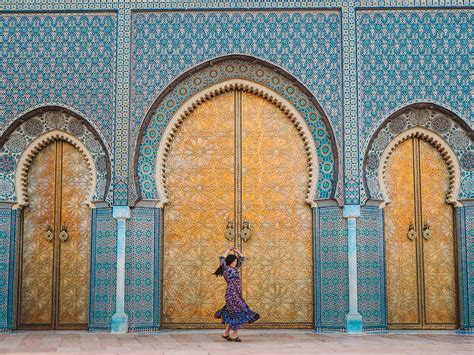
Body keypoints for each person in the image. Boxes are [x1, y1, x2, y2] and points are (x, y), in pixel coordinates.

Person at [214, 247, 259, 342]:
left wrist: (237, 252)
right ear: (229, 262)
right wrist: (228, 250)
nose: (235, 263)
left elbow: (242, 259)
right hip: (231, 294)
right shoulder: (226, 268)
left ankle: (226, 334)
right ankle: (235, 335)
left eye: (236, 261)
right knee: (236, 313)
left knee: (233, 313)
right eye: (233, 261)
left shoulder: (236, 268)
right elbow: (222, 259)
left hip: (236, 293)